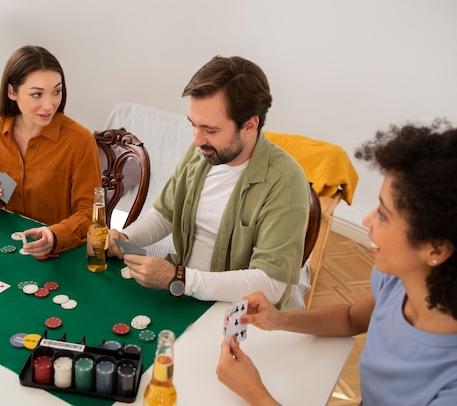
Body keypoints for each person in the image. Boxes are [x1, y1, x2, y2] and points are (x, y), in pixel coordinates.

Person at [217, 121, 457, 406]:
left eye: (383, 215)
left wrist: (255, 393)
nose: (366, 221)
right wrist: (278, 319)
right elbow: (351, 318)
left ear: (437, 249)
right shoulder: (397, 281)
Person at [107, 56, 310, 309]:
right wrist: (126, 238)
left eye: (210, 130)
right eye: (193, 125)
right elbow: (166, 214)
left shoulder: (285, 181)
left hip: (235, 311)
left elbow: (270, 284)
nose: (197, 140)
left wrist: (179, 278)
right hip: (182, 295)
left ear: (249, 125)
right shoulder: (202, 153)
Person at [0, 45, 101, 258]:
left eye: (57, 91)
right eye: (37, 94)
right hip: (10, 247)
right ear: (11, 92)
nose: (49, 105)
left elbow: (91, 215)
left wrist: (54, 235)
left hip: (62, 253)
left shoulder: (80, 141)